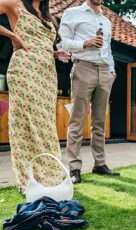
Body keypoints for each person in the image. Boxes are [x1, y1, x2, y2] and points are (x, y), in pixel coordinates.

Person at [1, 0, 70, 190]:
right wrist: (12, 35)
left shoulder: (48, 15)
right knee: (27, 123)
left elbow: (43, 43)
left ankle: (49, 175)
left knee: (45, 124)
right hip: (24, 70)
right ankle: (29, 179)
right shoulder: (14, 4)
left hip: (47, 74)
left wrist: (56, 53)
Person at [60, 0, 118, 182]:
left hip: (105, 71)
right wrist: (86, 43)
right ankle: (74, 168)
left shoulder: (107, 21)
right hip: (83, 68)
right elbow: (64, 43)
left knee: (100, 122)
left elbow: (107, 48)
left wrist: (112, 70)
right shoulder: (72, 13)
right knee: (77, 120)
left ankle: (99, 164)